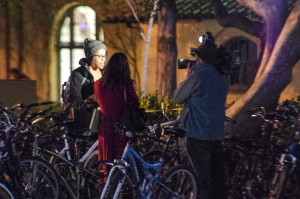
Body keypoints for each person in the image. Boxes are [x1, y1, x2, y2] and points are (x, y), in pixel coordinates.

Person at [174, 35, 228, 199]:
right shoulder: (222, 78)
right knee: (216, 178)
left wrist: (187, 77)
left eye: (197, 56)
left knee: (201, 179)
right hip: (216, 134)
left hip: (197, 135)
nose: (195, 59)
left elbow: (177, 97)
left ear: (201, 59)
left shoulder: (197, 76)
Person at [94, 52, 139, 161]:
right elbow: (135, 102)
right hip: (121, 127)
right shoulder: (126, 83)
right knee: (121, 160)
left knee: (106, 158)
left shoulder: (98, 84)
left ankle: (105, 178)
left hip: (104, 127)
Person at [67, 38, 108, 134]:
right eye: (100, 56)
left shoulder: (105, 73)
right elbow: (74, 101)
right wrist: (88, 101)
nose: (103, 59)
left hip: (104, 120)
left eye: (105, 56)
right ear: (91, 56)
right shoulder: (78, 74)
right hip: (85, 124)